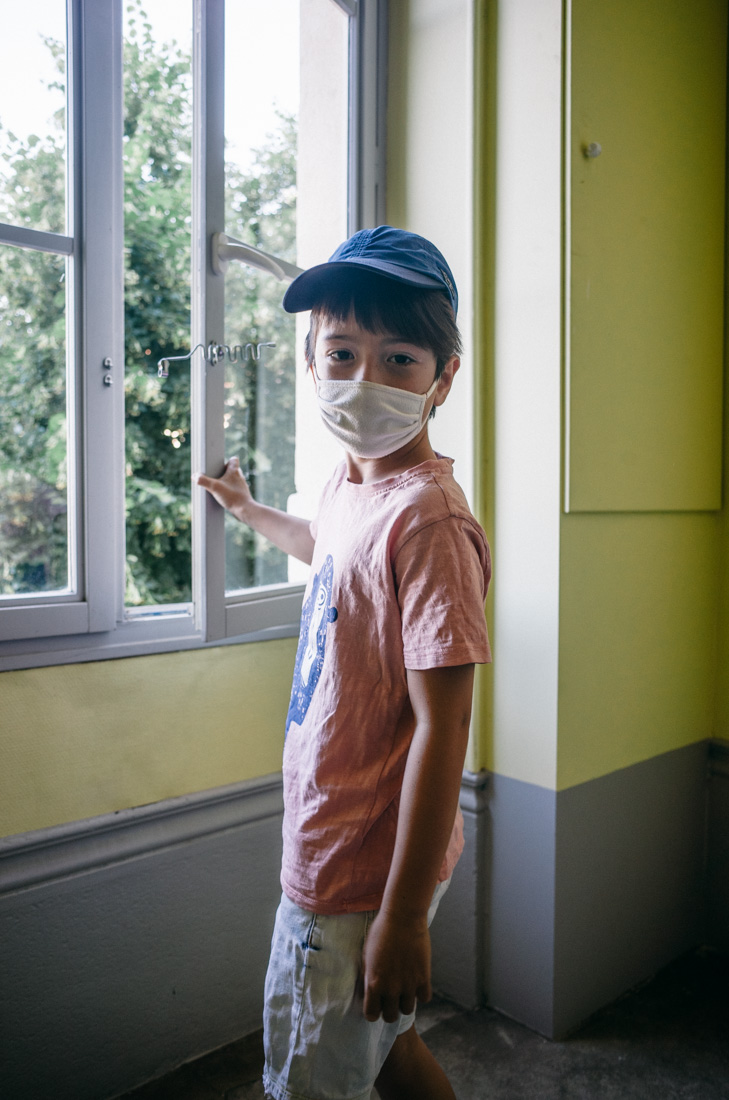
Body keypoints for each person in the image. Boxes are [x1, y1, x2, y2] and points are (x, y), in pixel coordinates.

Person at [196, 226, 491, 1100]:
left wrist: (401, 920)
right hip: (341, 836)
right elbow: (328, 548)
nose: (364, 378)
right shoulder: (351, 481)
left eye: (398, 359)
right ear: (310, 361)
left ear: (442, 378)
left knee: (313, 1079)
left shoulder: (429, 521)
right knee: (386, 1050)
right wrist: (248, 511)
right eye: (342, 353)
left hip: (361, 868)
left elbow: (445, 724)